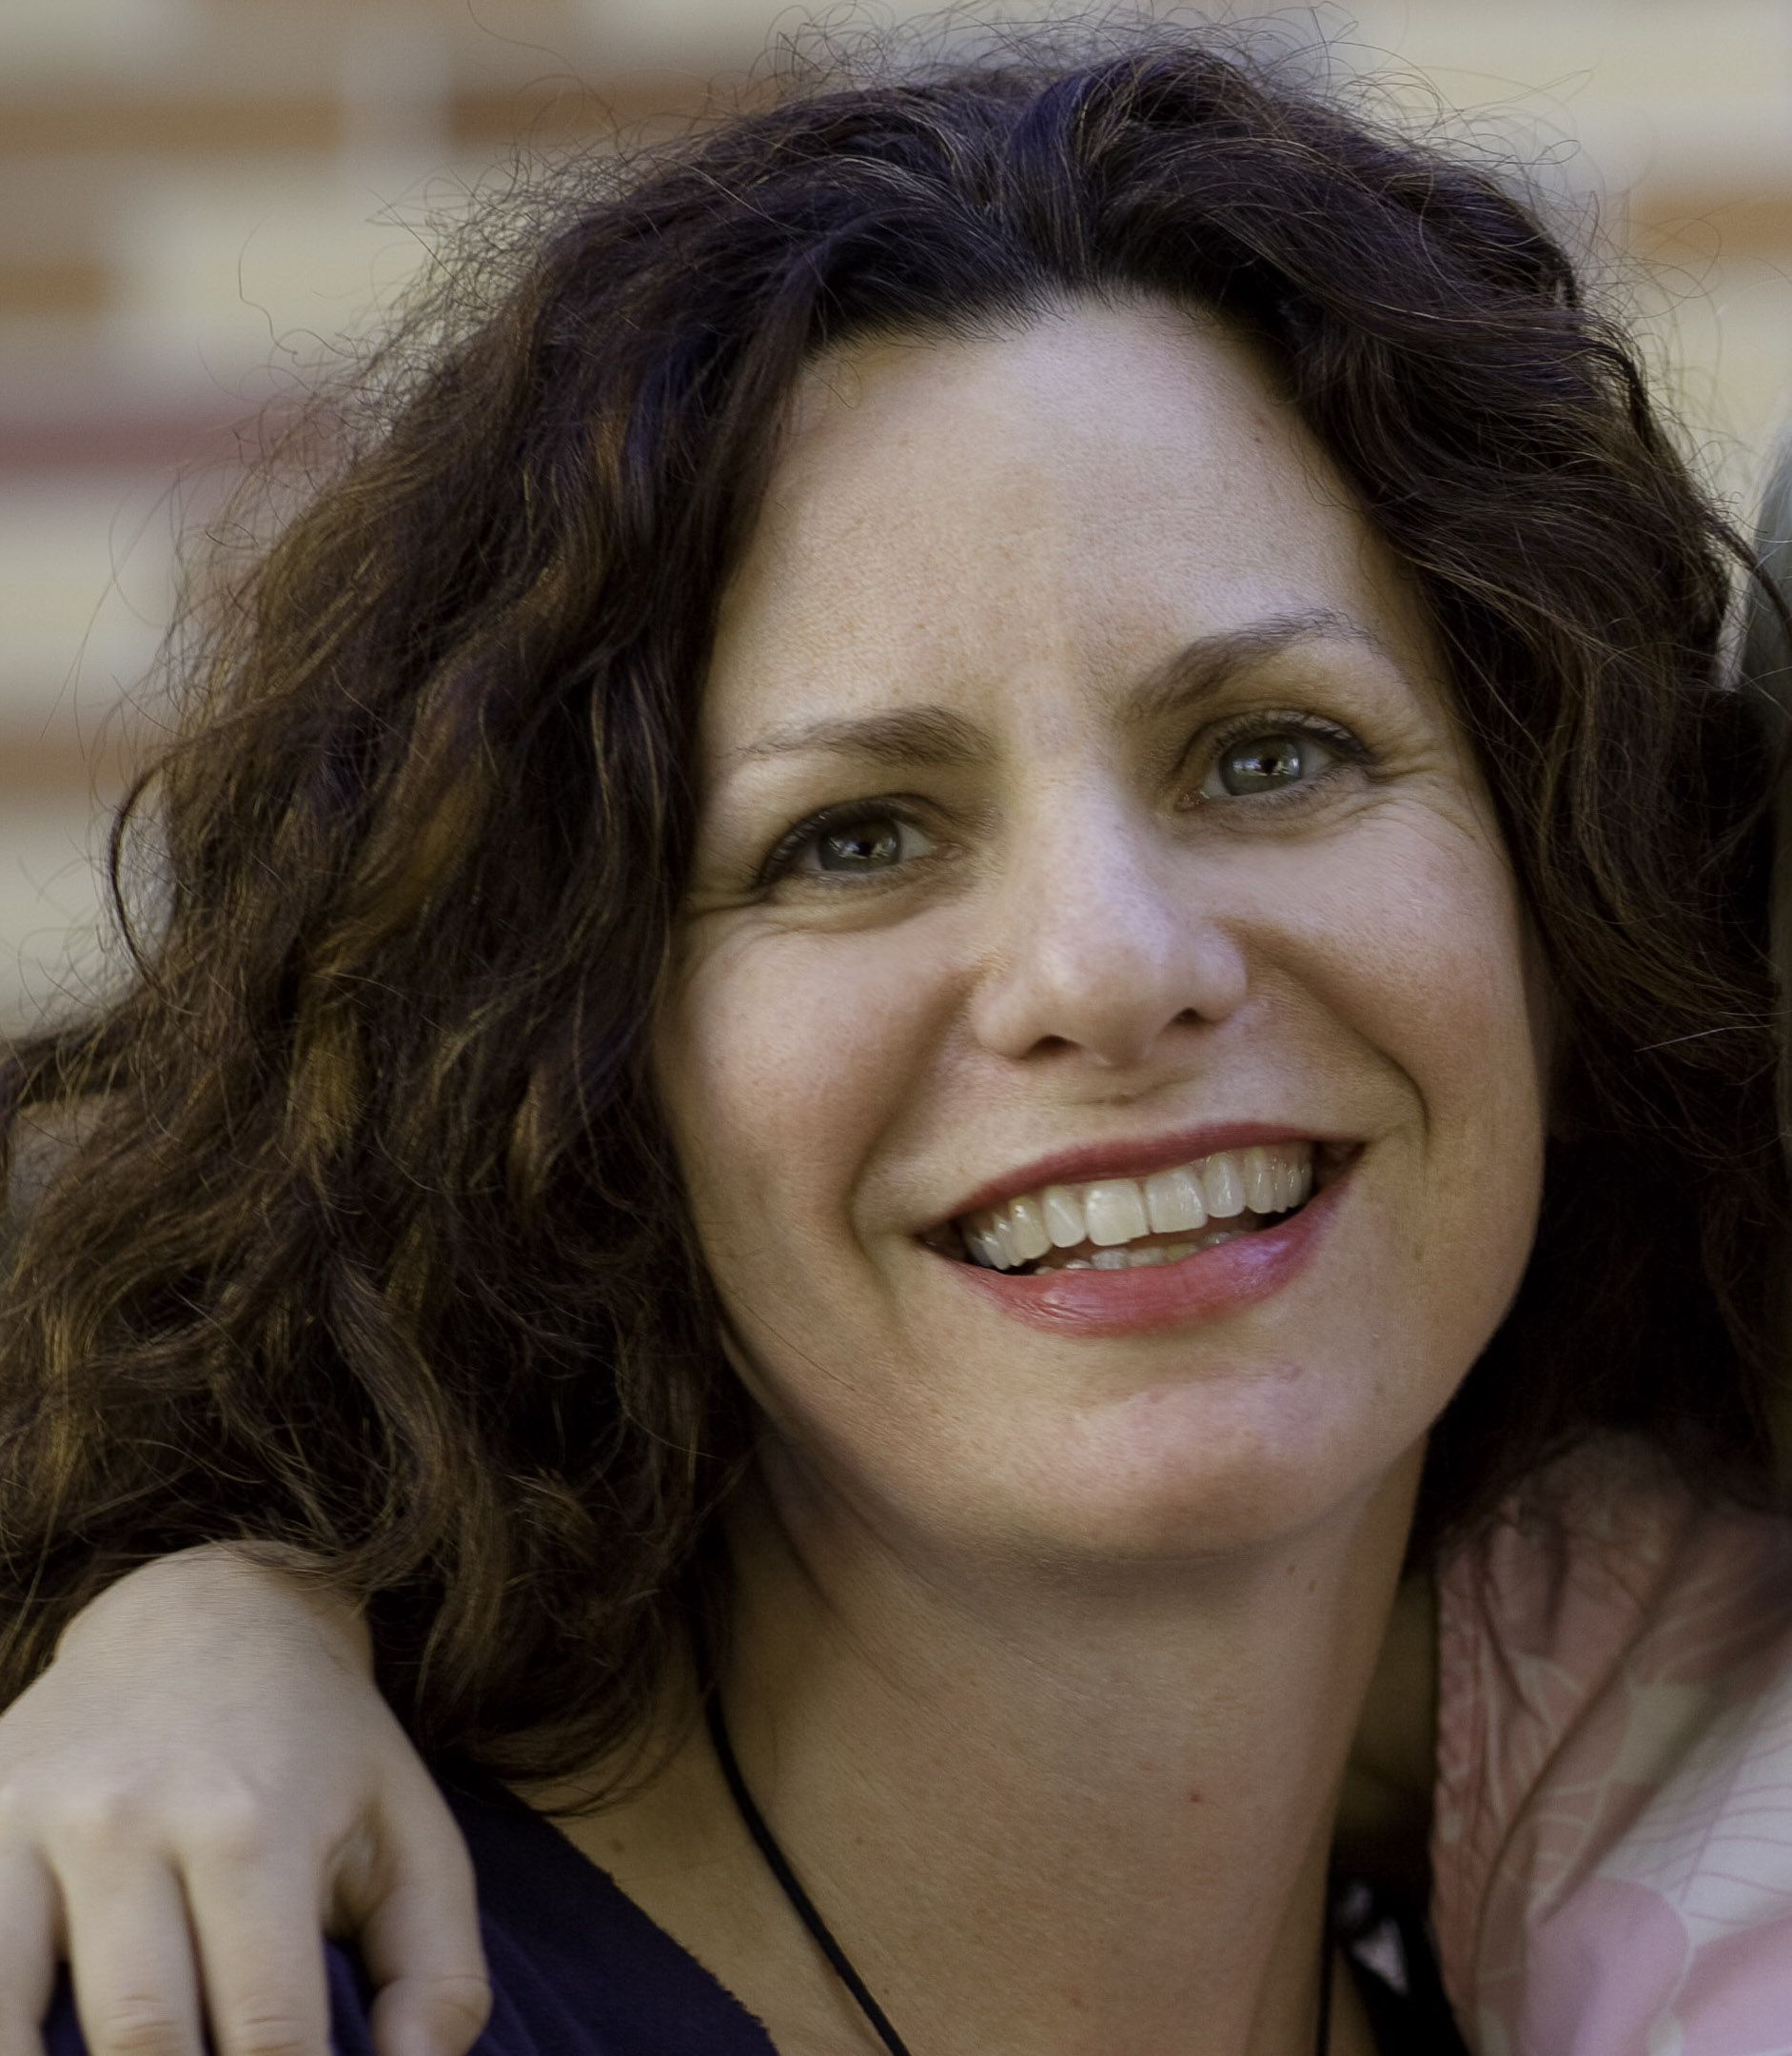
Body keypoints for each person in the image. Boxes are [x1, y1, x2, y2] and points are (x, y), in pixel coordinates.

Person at [1, 21, 1788, 2056]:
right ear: (575, 1061)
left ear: (1566, 894)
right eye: (850, 837)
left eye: (1272, 751)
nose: (1109, 968)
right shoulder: (224, 1986)